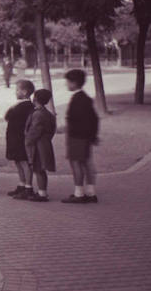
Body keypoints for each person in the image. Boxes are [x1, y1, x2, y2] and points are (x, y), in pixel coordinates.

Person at [61, 69, 99, 204]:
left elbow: (76, 119)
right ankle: (91, 192)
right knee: (87, 163)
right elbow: (94, 119)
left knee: (76, 163)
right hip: (86, 136)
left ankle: (79, 193)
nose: (66, 85)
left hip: (77, 137)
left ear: (75, 83)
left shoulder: (77, 99)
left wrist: (67, 128)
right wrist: (93, 136)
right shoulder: (86, 98)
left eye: (68, 82)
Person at [24, 88, 56, 202]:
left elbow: (34, 131)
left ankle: (42, 193)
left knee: (38, 168)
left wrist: (27, 142)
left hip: (38, 146)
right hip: (45, 143)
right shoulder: (49, 114)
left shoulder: (38, 114)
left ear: (35, 98)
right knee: (40, 169)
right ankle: (42, 192)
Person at [5, 79, 35, 199]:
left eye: (18, 90)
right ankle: (21, 184)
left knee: (24, 162)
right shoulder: (20, 105)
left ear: (25, 92)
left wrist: (13, 107)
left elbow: (8, 116)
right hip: (14, 137)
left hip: (21, 138)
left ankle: (28, 187)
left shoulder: (27, 106)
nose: (15, 92)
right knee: (17, 161)